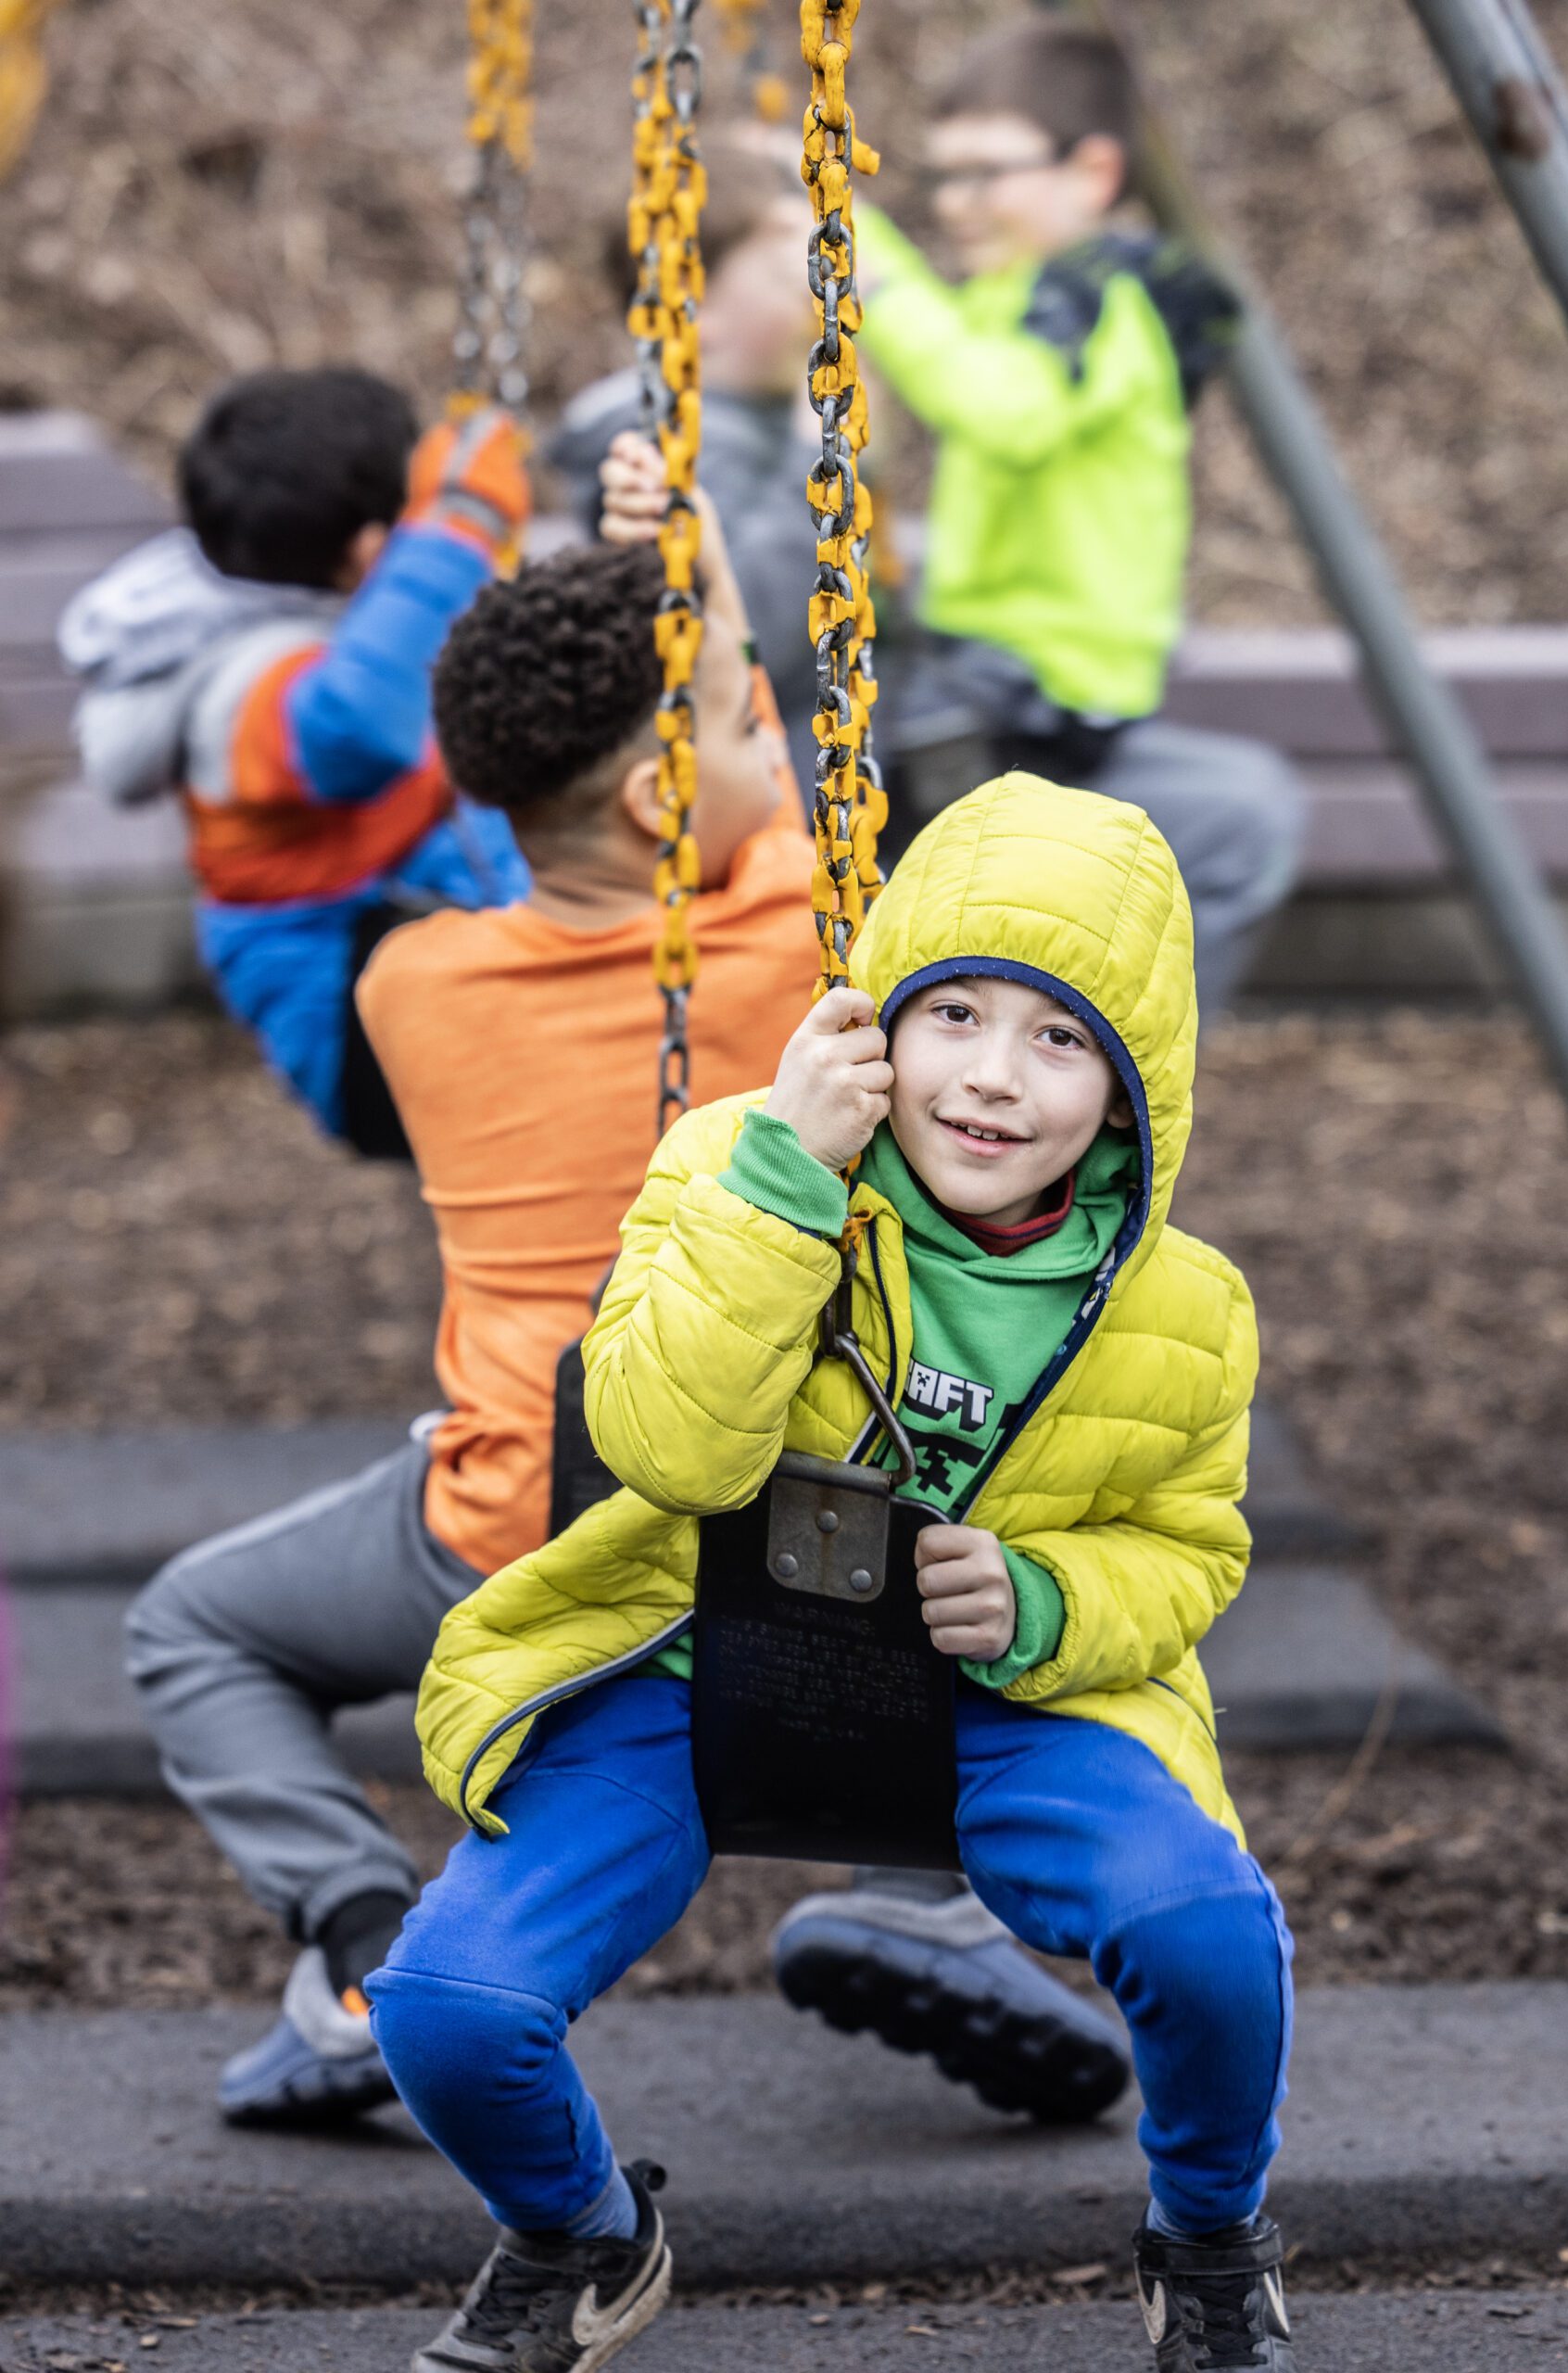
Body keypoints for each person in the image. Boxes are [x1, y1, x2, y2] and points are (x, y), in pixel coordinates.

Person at [124, 523, 1124, 2137]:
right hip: (787, 1543)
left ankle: (367, 1946)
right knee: (975, 1550)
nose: (776, 746)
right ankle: (925, 1884)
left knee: (195, 1633)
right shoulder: (822, 956)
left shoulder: (414, 989)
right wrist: (703, 562)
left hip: (507, 1529)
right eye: (748, 721)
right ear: (675, 796)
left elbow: (621, 811)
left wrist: (676, 626)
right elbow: (797, 818)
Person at [372, 775, 1298, 2373]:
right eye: (955, 1017)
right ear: (878, 1022)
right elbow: (665, 1445)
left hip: (999, 1704)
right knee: (447, 2007)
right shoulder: (736, 1163)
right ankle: (582, 2237)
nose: (995, 1080)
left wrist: (1049, 1601)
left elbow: (1185, 1547)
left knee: (1211, 1935)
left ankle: (1209, 2233)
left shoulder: (1186, 1306)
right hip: (685, 1664)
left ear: (1137, 1084)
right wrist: (790, 1185)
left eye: (1061, 1039)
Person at [857, 18, 1304, 1019]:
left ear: (1091, 172)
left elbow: (1005, 412)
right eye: (942, 177)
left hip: (1043, 698)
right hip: (993, 682)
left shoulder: (1094, 302)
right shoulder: (1011, 300)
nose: (955, 204)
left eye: (985, 173)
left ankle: (1116, 1067)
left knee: (1234, 828)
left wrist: (861, 260)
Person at [58, 369, 534, 1148]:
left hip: (420, 961)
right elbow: (354, 731)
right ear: (371, 547)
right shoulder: (236, 689)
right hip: (359, 1034)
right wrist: (456, 530)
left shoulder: (269, 592)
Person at [544, 143, 827, 793]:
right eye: (789, 275)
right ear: (695, 313)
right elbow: (757, 630)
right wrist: (815, 461)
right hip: (768, 799)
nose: (821, 291)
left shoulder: (763, 416)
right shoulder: (669, 449)